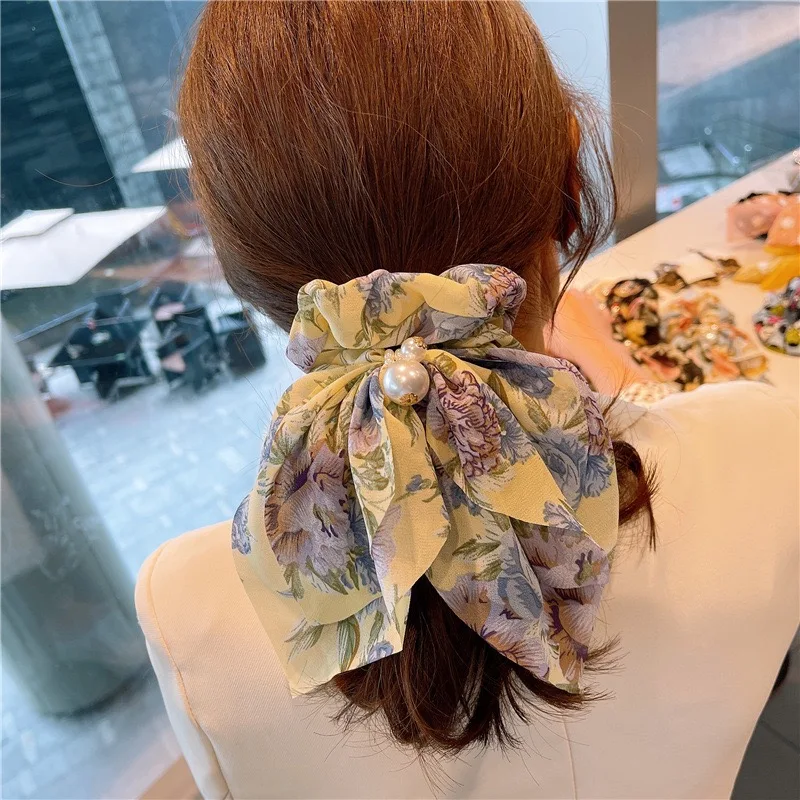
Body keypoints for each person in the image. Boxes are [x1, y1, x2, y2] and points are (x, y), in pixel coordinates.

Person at [136, 3, 799, 798]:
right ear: (571, 179)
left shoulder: (186, 606)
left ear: (239, 260)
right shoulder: (768, 447)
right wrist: (612, 372)